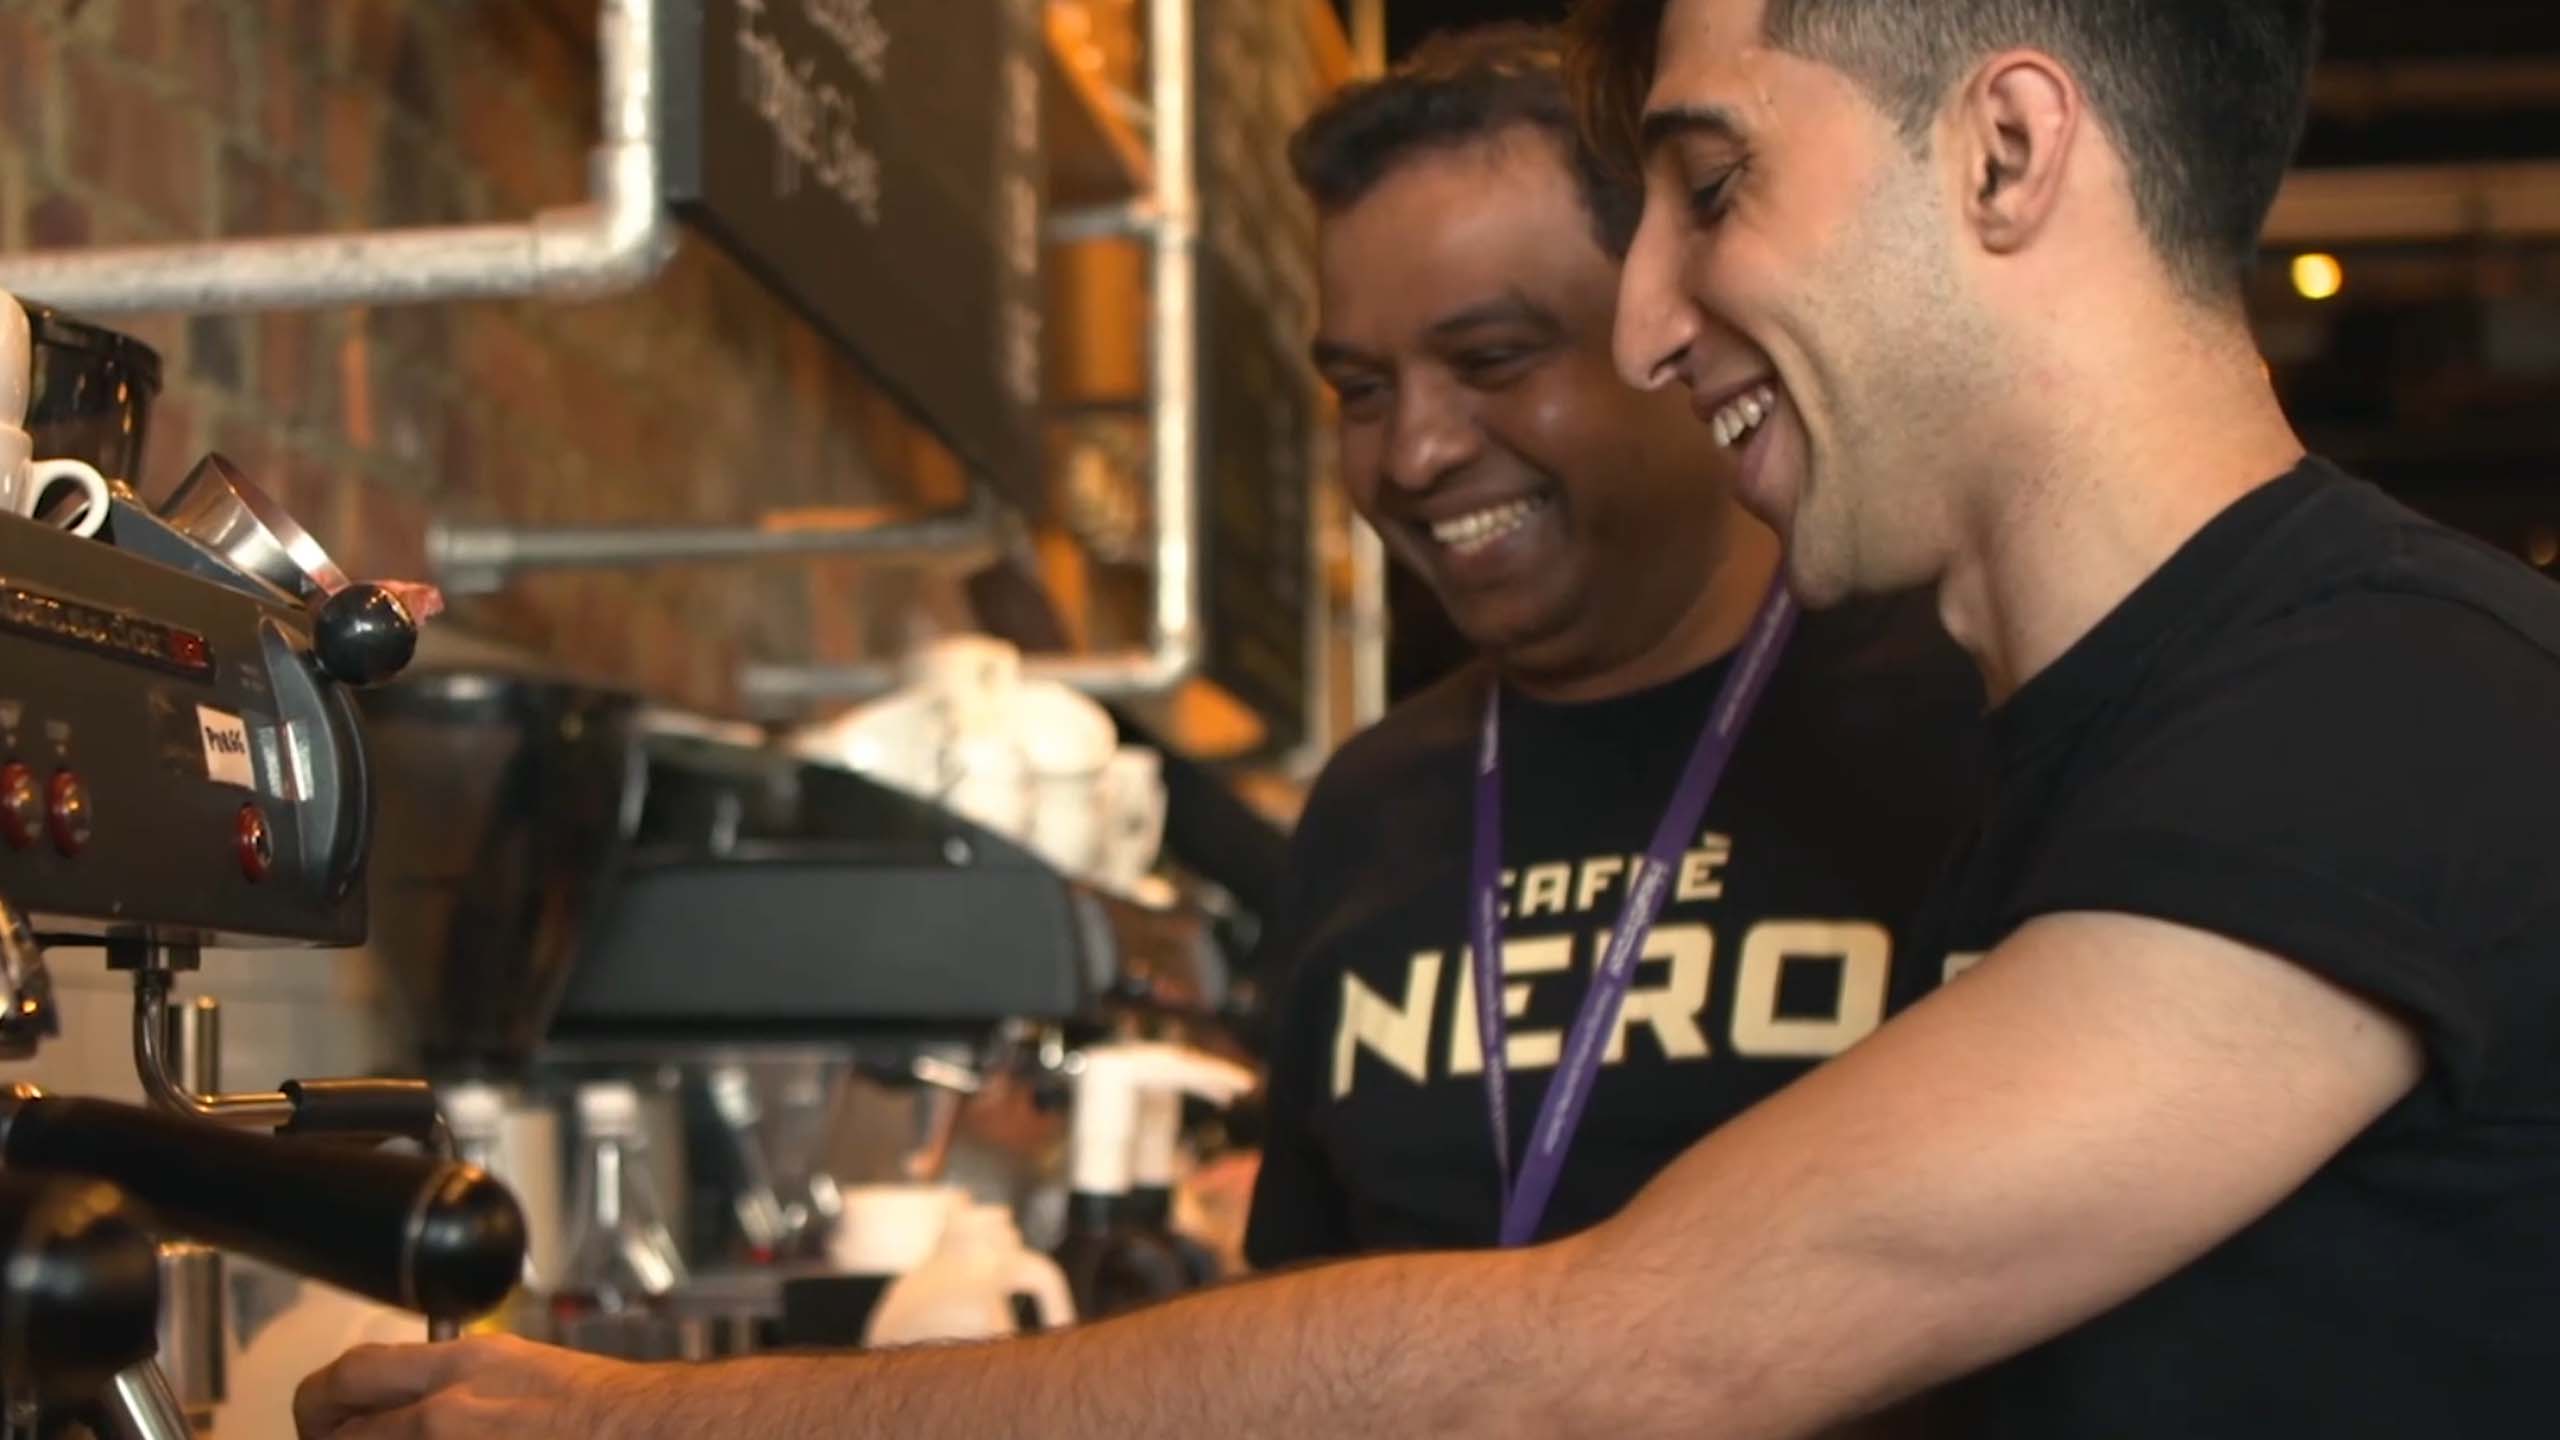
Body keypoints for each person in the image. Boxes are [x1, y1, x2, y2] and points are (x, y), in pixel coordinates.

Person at [296, 1, 2560, 1436]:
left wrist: (637, 1425)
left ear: (2002, 154)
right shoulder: (2091, 746)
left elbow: (1623, 1350)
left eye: (1704, 188)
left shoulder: (2385, 709)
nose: (1654, 315)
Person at [1247, 25, 1982, 1268]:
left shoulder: (1962, 725)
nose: (1415, 451)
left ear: (1669, 329)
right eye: (1362, 391)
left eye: (1492, 360)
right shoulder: (1368, 811)